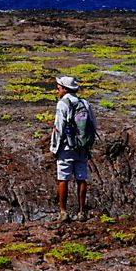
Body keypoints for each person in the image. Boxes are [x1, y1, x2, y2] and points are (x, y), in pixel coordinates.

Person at [49, 75, 94, 222]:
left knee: (63, 178)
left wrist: (54, 148)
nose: (57, 90)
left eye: (59, 88)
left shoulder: (63, 104)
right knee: (81, 178)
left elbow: (59, 128)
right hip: (82, 147)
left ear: (65, 90)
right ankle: (81, 212)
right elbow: (93, 125)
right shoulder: (85, 103)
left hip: (66, 147)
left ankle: (63, 212)